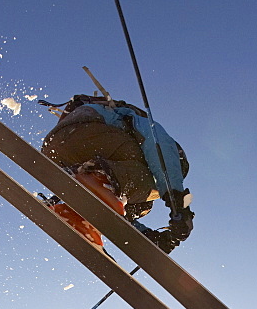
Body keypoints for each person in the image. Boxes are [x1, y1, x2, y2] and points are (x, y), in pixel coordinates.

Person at [41, 94, 193, 252]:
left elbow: (118, 218)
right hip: (87, 131)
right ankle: (97, 176)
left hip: (54, 151)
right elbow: (161, 151)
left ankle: (75, 213)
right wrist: (178, 202)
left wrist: (150, 237)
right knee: (149, 187)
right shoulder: (153, 132)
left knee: (141, 202)